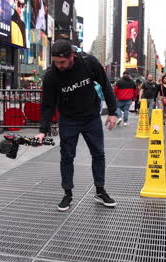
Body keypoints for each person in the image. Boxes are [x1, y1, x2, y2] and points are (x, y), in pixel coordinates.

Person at [35, 39, 118, 212]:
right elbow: (48, 105)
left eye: (62, 62)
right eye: (56, 62)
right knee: (67, 156)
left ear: (72, 56)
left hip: (91, 118)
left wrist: (112, 112)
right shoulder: (52, 75)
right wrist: (43, 130)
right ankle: (67, 194)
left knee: (98, 154)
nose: (59, 66)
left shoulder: (89, 63)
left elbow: (105, 85)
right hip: (68, 120)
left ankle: (100, 191)